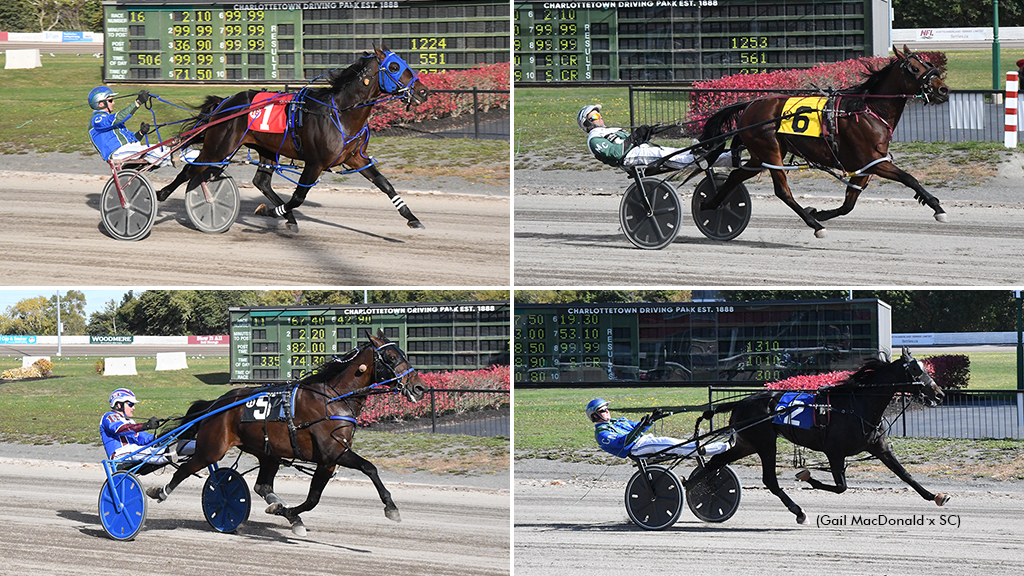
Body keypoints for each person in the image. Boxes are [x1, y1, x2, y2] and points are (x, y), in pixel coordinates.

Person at [577, 104, 735, 172]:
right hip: (631, 158)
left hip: (639, 151)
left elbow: (630, 141)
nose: (599, 118)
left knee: (679, 152)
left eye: (599, 114)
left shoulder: (610, 130)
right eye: (594, 116)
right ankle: (701, 158)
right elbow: (615, 153)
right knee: (669, 156)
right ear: (587, 124)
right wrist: (634, 137)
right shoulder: (594, 139)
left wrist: (644, 134)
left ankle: (729, 158)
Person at [586, 398, 730, 459]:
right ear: (595, 416)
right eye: (603, 410)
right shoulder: (602, 434)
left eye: (606, 409)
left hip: (645, 441)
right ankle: (721, 448)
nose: (607, 411)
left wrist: (652, 418)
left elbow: (637, 425)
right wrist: (641, 427)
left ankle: (703, 446)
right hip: (636, 449)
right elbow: (624, 442)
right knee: (673, 444)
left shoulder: (618, 421)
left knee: (676, 442)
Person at [88, 86, 172, 166]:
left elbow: (132, 139)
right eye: (110, 100)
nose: (113, 102)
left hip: (127, 150)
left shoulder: (112, 122)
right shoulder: (97, 120)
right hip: (117, 153)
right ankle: (174, 159)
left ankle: (176, 158)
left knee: (162, 148)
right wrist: (137, 102)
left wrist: (141, 133)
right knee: (154, 151)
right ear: (101, 104)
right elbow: (118, 118)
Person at [100, 388, 169, 465]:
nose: (133, 408)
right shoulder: (108, 417)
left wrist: (163, 436)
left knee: (146, 447)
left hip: (132, 453)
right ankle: (167, 454)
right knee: (133, 449)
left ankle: (174, 451)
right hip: (118, 455)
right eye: (130, 404)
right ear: (119, 405)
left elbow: (143, 438)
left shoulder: (130, 421)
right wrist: (146, 425)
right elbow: (120, 429)